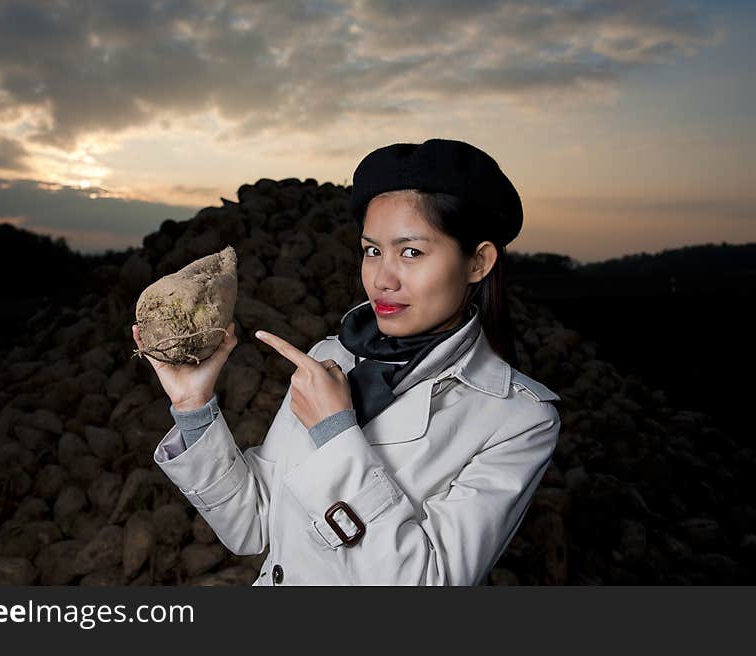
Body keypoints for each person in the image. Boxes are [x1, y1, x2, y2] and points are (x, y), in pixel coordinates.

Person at [132, 138, 562, 585]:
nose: (382, 278)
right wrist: (194, 409)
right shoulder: (329, 357)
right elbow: (252, 525)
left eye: (410, 252)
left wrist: (336, 433)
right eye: (372, 250)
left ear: (478, 262)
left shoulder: (520, 419)